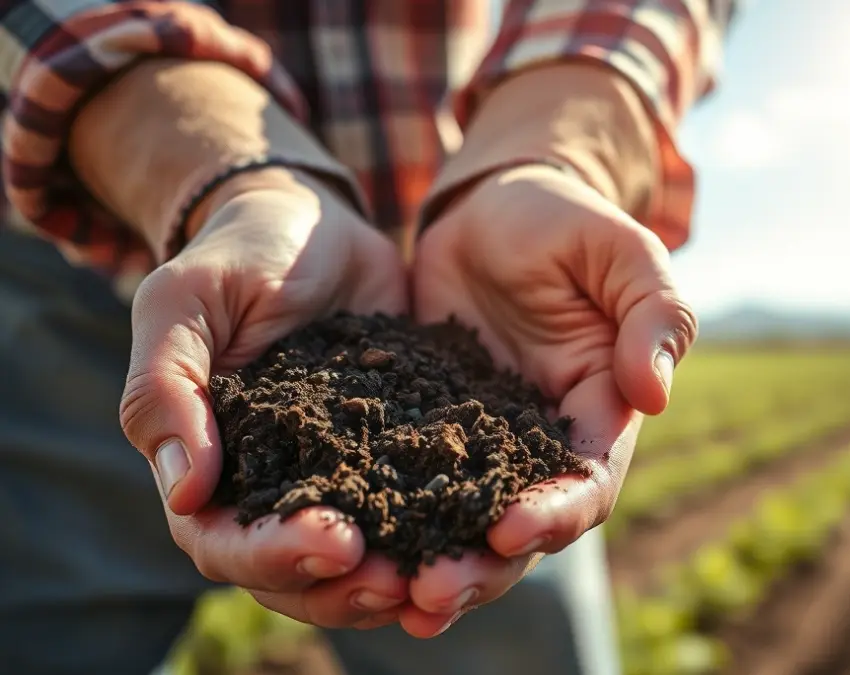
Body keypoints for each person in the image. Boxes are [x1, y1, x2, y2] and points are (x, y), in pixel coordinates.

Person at [0, 1, 735, 673]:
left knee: (498, 602)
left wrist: (557, 148)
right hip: (84, 283)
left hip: (508, 313)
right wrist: (226, 174)